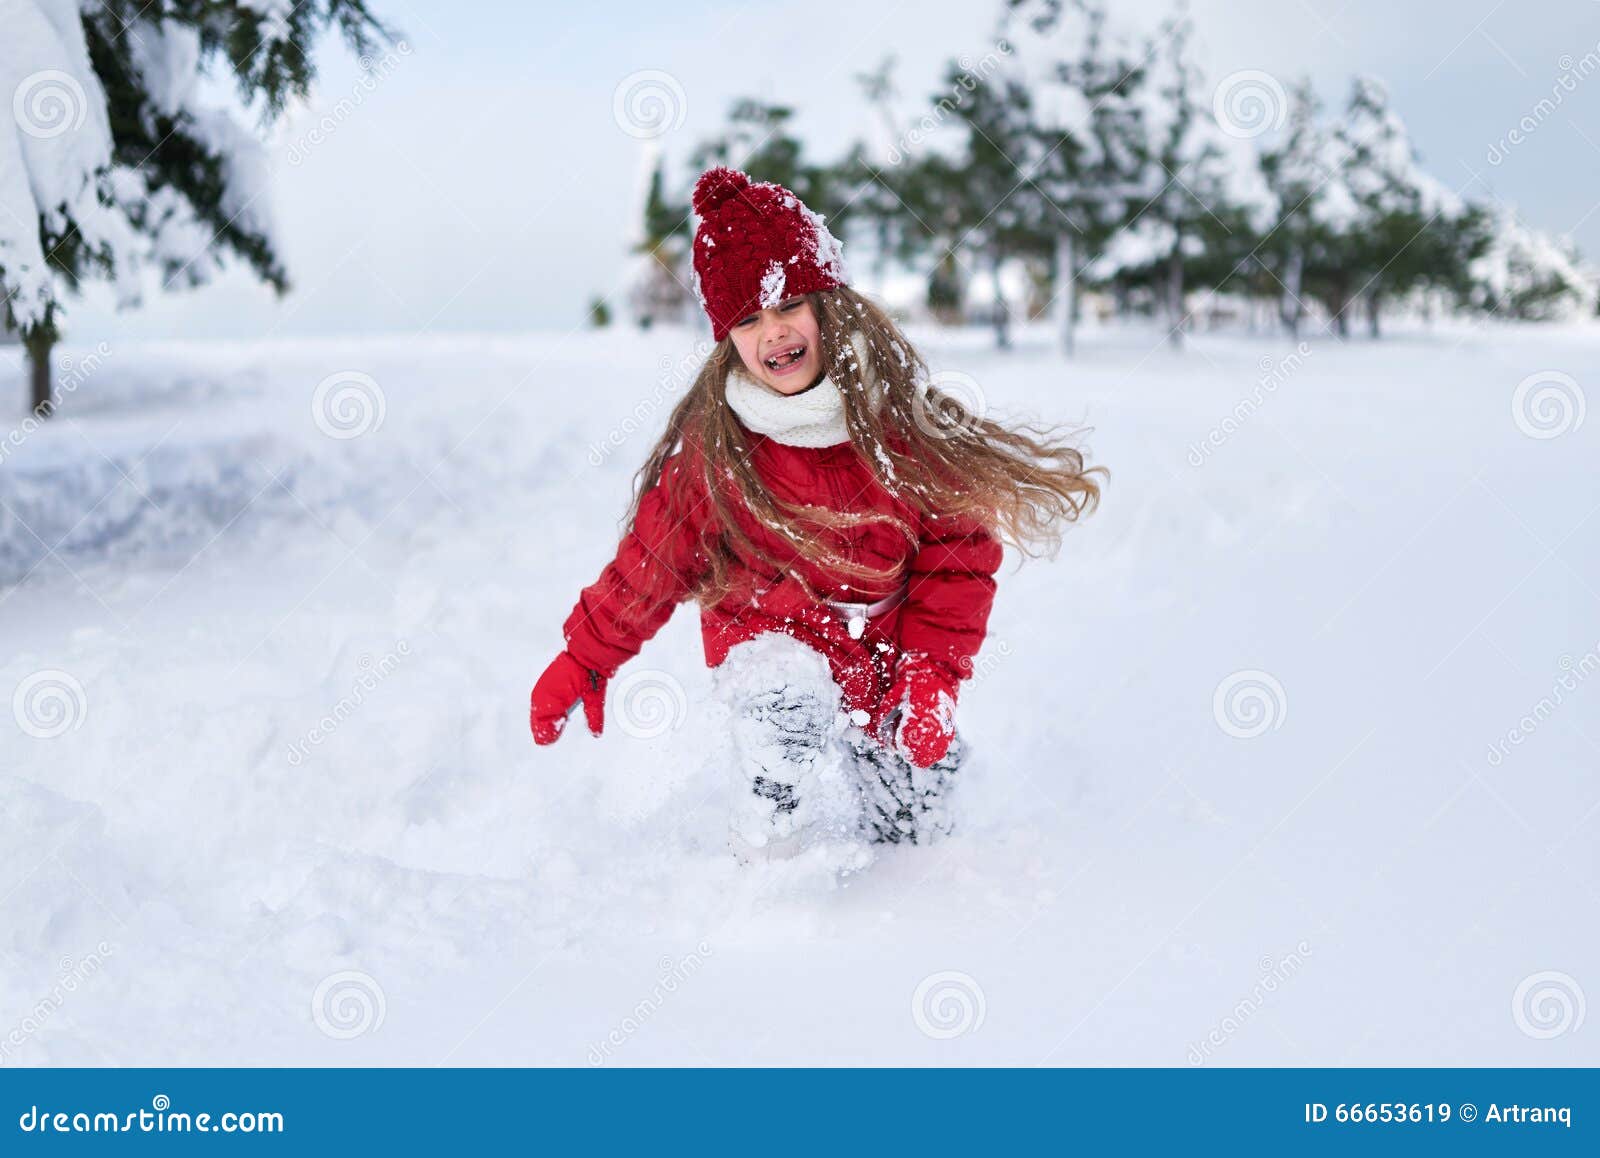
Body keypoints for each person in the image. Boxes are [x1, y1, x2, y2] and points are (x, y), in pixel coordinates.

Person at [530, 165, 1103, 864]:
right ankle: (772, 859)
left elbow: (959, 551)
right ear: (726, 338)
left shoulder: (902, 428)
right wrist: (584, 658)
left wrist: (930, 671)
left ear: (829, 304)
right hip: (770, 640)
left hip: (884, 656)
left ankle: (920, 862)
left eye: (786, 305)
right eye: (746, 319)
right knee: (786, 713)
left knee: (917, 826)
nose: (771, 332)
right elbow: (651, 560)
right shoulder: (720, 451)